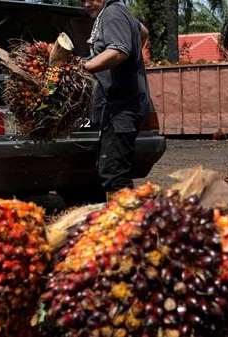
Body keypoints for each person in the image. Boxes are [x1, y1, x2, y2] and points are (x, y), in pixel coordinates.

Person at [80, 0, 151, 200]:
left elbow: (118, 51)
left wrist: (84, 68)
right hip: (122, 105)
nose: (86, 4)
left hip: (123, 107)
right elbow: (143, 31)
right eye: (82, 0)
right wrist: (134, 59)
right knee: (111, 166)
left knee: (114, 173)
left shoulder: (112, 13)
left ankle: (125, 223)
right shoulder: (119, 12)